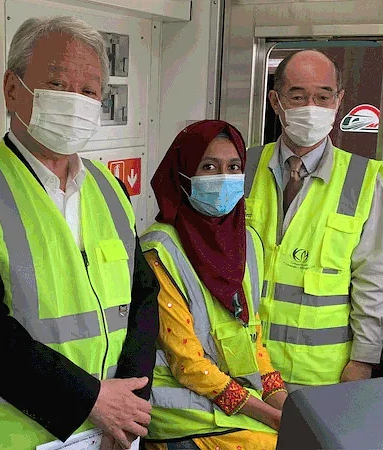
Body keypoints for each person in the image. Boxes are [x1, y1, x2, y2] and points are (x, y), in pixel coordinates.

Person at [0, 16, 159, 450]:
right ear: (11, 89)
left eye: (89, 92)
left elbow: (142, 299)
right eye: (58, 85)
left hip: (114, 432)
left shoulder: (110, 188)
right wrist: (92, 400)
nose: (75, 102)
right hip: (18, 436)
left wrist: (131, 408)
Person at [243, 49, 383, 389]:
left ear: (338, 101)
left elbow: (376, 278)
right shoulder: (243, 166)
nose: (310, 106)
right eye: (297, 96)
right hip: (243, 366)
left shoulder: (362, 179)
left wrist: (363, 360)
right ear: (275, 100)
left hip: (322, 376)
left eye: (323, 96)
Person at [140, 120, 288, 450]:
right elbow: (187, 364)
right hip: (180, 410)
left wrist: (282, 403)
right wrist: (273, 417)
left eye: (233, 167)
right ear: (182, 176)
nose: (224, 177)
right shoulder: (159, 250)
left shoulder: (247, 242)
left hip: (230, 400)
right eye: (209, 166)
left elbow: (253, 338)